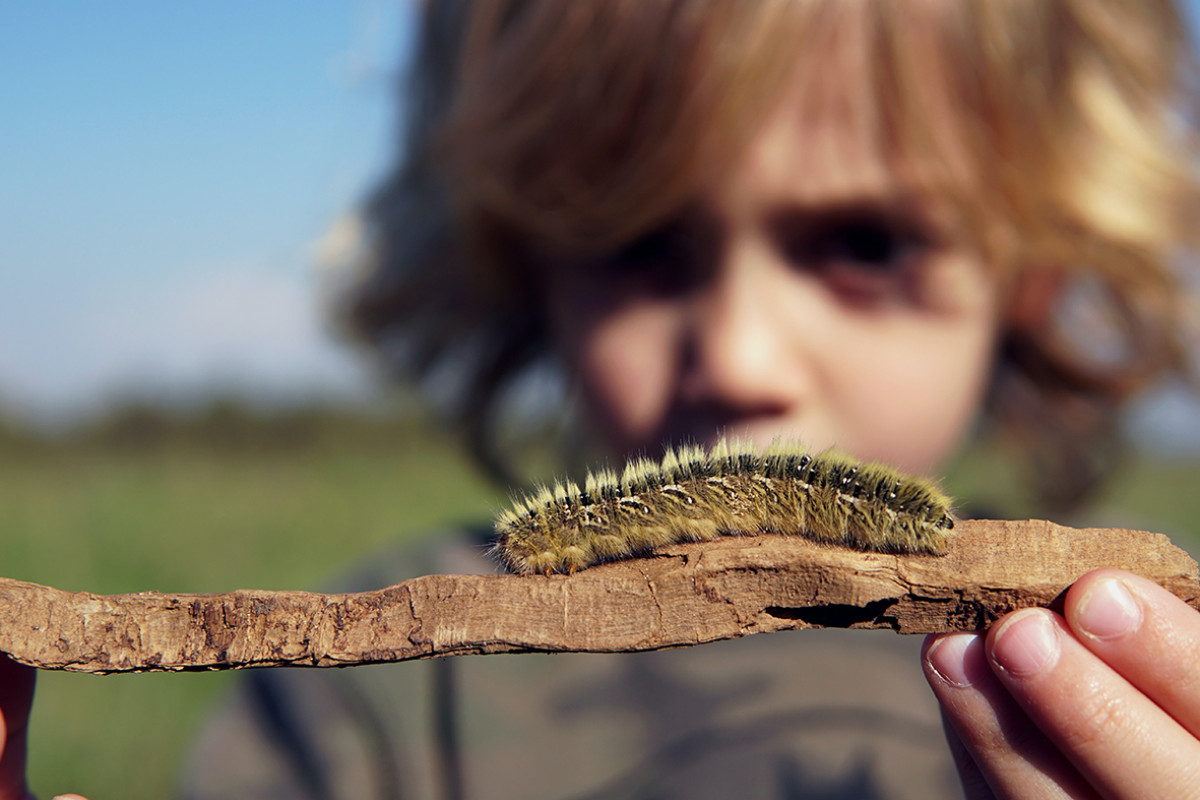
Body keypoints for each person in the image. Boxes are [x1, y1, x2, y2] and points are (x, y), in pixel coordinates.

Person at [4, 0, 1200, 797]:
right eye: (638, 243)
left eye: (865, 240)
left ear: (1035, 266)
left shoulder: (1135, 659)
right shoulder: (368, 717)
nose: (738, 353)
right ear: (526, 262)